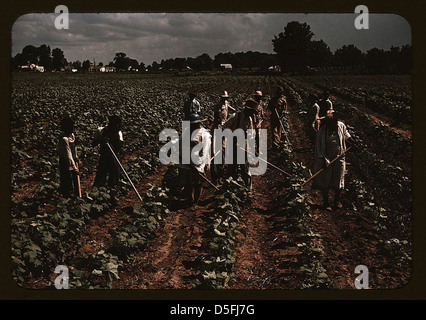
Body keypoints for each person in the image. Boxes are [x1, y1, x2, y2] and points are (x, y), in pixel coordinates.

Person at [313, 110, 351, 211]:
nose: (333, 124)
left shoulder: (341, 126)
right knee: (326, 180)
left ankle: (336, 201)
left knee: (339, 180)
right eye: (330, 122)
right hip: (327, 159)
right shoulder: (322, 132)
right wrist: (324, 160)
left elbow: (346, 135)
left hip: (340, 157)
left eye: (334, 121)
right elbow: (319, 149)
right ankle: (326, 203)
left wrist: (352, 142)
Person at [222, 99, 259, 190]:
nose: (253, 114)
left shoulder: (250, 119)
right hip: (233, 145)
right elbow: (224, 127)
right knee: (232, 166)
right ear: (247, 109)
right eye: (252, 111)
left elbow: (251, 134)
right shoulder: (236, 116)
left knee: (245, 167)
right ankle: (230, 187)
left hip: (244, 145)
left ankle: (247, 188)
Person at [177, 113, 211, 205]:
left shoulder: (204, 134)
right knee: (188, 183)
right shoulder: (185, 133)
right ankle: (189, 199)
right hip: (185, 162)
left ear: (199, 124)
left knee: (198, 183)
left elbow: (205, 150)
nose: (193, 126)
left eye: (194, 124)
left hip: (198, 162)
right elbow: (179, 147)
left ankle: (196, 200)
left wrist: (198, 165)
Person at [92, 115, 124, 187]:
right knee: (100, 178)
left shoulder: (119, 133)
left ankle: (112, 193)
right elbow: (94, 143)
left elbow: (120, 147)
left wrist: (112, 142)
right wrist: (102, 141)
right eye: (118, 124)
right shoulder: (101, 131)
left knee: (114, 179)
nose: (119, 126)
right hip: (104, 158)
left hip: (115, 158)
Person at [211, 91, 234, 184]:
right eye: (224, 98)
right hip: (218, 128)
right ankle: (215, 175)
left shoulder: (226, 104)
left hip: (224, 127)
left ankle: (220, 173)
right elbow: (217, 116)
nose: (225, 100)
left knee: (223, 150)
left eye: (226, 98)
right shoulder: (218, 106)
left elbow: (232, 111)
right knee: (216, 150)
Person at [58, 115, 80, 197]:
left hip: (73, 160)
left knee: (75, 179)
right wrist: (74, 167)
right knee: (67, 179)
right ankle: (68, 196)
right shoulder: (64, 139)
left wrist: (76, 157)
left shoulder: (72, 136)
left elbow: (74, 149)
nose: (73, 128)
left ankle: (76, 195)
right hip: (66, 162)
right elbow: (68, 154)